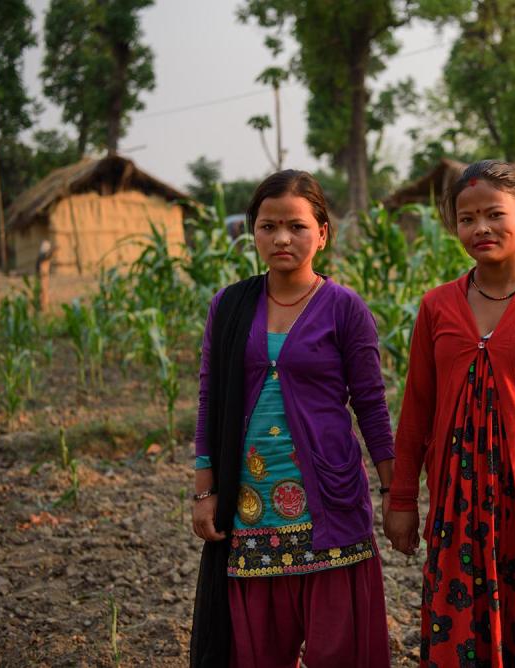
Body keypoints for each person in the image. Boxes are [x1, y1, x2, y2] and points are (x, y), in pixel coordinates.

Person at [385, 160, 515, 667]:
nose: (480, 228)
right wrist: (402, 500)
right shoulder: (437, 308)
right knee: (458, 635)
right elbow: (416, 409)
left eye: (493, 215)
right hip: (455, 509)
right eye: (466, 218)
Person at [189, 170, 393, 668]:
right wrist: (204, 490)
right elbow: (209, 398)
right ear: (252, 232)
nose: (281, 238)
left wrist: (396, 496)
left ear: (322, 233)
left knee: (339, 649)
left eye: (297, 226)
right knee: (256, 650)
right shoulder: (230, 306)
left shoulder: (345, 308)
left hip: (331, 502)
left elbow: (371, 405)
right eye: (267, 225)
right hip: (251, 505)